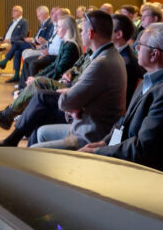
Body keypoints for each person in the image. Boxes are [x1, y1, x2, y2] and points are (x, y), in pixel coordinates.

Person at [80, 23, 163, 183]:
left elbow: (143, 149)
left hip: (158, 176)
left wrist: (99, 153)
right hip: (140, 163)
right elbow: (125, 121)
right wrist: (105, 142)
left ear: (154, 54)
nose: (136, 48)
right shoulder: (152, 78)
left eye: (140, 45)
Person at [29, 10, 127, 149]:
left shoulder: (101, 63)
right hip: (87, 125)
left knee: (34, 149)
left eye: (82, 31)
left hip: (91, 134)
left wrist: (71, 100)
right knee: (41, 131)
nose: (80, 33)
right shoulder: (111, 55)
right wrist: (73, 102)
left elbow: (66, 102)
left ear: (90, 33)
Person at [0, 15, 83, 129]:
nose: (57, 29)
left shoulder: (71, 46)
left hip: (63, 83)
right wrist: (37, 76)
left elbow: (58, 70)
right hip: (60, 79)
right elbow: (55, 66)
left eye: (59, 27)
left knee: (35, 84)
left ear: (67, 29)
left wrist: (37, 79)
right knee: (34, 82)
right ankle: (9, 115)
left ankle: (7, 115)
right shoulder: (66, 43)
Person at [0, 5, 29, 82]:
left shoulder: (24, 22)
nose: (12, 12)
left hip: (12, 43)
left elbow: (23, 36)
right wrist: (1, 38)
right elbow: (7, 35)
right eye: (12, 10)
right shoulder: (11, 22)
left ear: (20, 12)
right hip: (5, 42)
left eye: (14, 10)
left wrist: (10, 40)